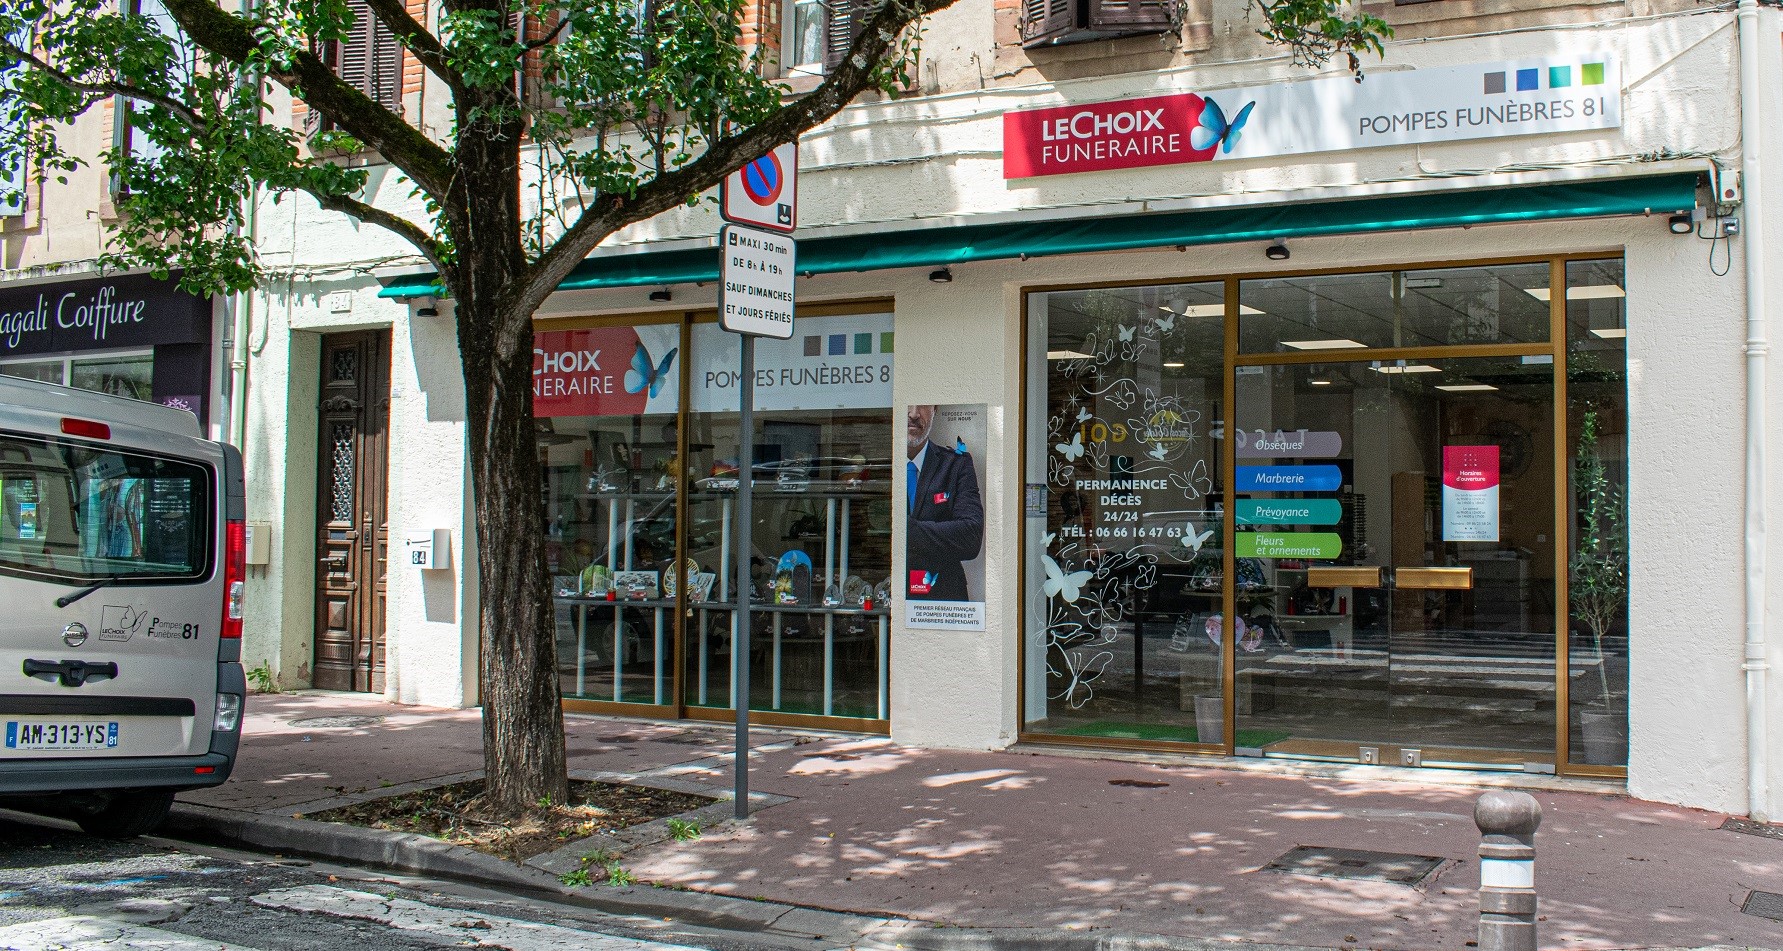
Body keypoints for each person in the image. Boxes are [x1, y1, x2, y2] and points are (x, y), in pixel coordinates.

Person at [905, 404, 984, 602]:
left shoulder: (955, 464)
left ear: (935, 409)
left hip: (943, 603)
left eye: (923, 404)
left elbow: (970, 537)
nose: (914, 413)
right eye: (908, 403)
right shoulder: (880, 467)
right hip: (886, 599)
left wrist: (905, 530)